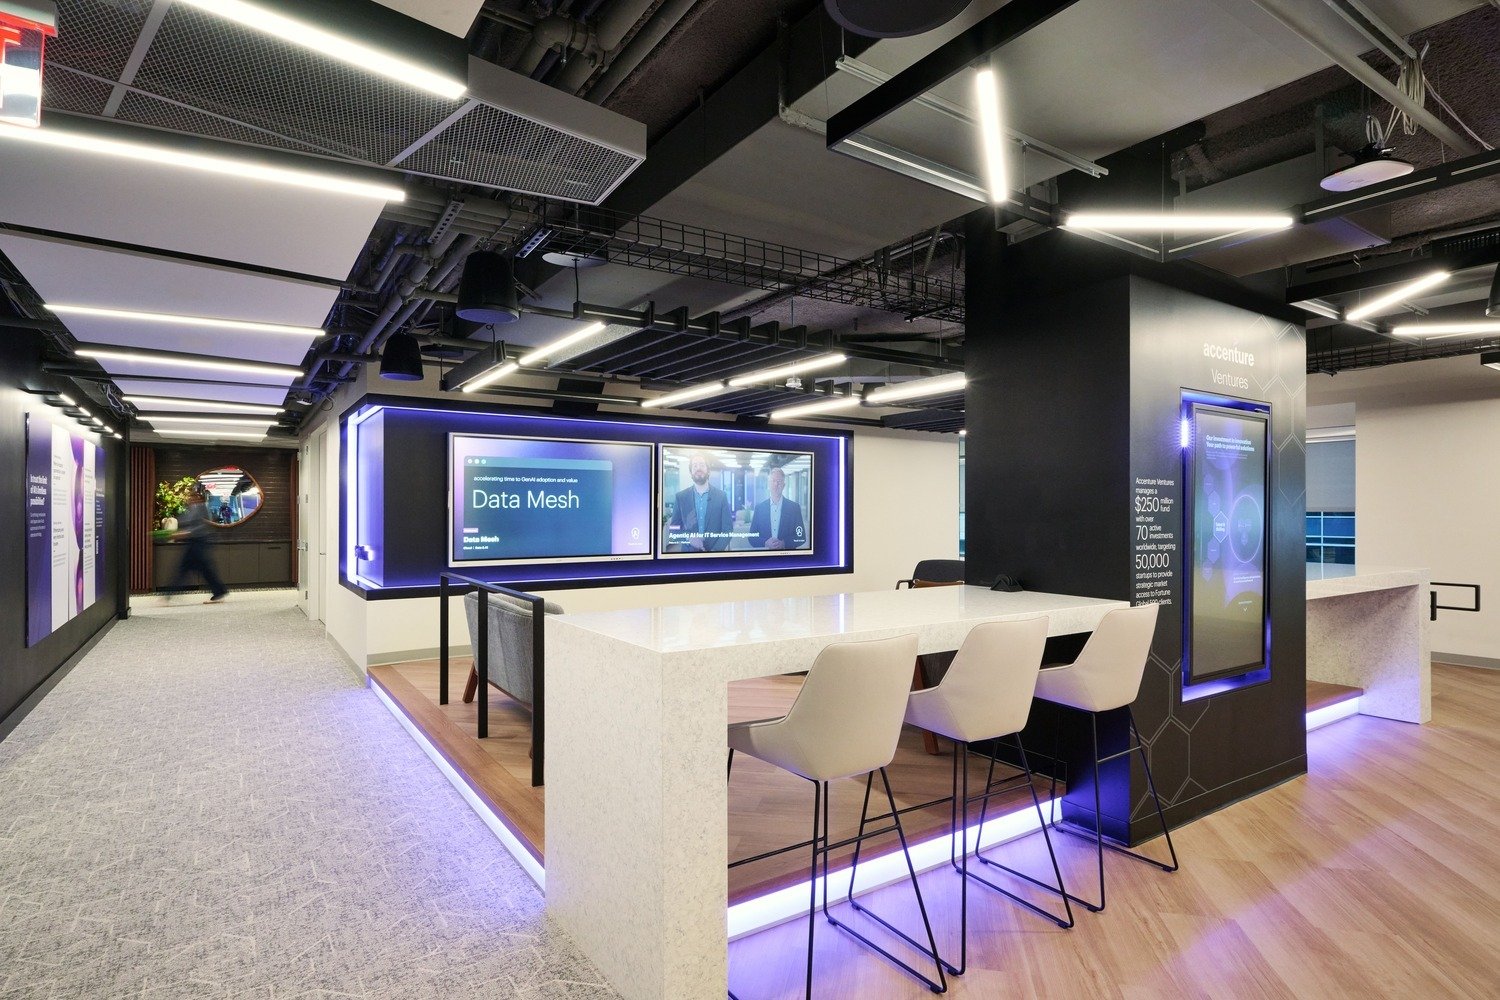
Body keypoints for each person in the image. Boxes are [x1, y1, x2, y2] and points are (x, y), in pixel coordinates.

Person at [168, 485, 229, 603]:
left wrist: (186, 533)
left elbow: (202, 525)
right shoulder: (190, 509)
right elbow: (185, 522)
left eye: (193, 496)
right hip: (193, 542)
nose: (190, 499)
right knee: (199, 569)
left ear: (199, 498)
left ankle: (167, 596)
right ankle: (219, 591)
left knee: (188, 569)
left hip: (199, 541)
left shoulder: (201, 508)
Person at [670, 451, 733, 552]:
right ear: (691, 472)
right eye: (695, 466)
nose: (698, 468)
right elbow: (674, 528)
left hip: (715, 556)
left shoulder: (721, 496)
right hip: (688, 557)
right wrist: (689, 538)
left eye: (702, 465)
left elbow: (728, 530)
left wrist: (715, 552)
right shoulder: (680, 497)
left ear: (708, 471)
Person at [749, 467, 807, 550]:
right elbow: (751, 537)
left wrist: (784, 543)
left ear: (784, 485)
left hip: (787, 558)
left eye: (779, 481)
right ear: (768, 484)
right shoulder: (759, 508)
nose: (776, 484)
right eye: (773, 481)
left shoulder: (794, 508)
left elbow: (801, 537)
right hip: (764, 558)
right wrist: (765, 543)